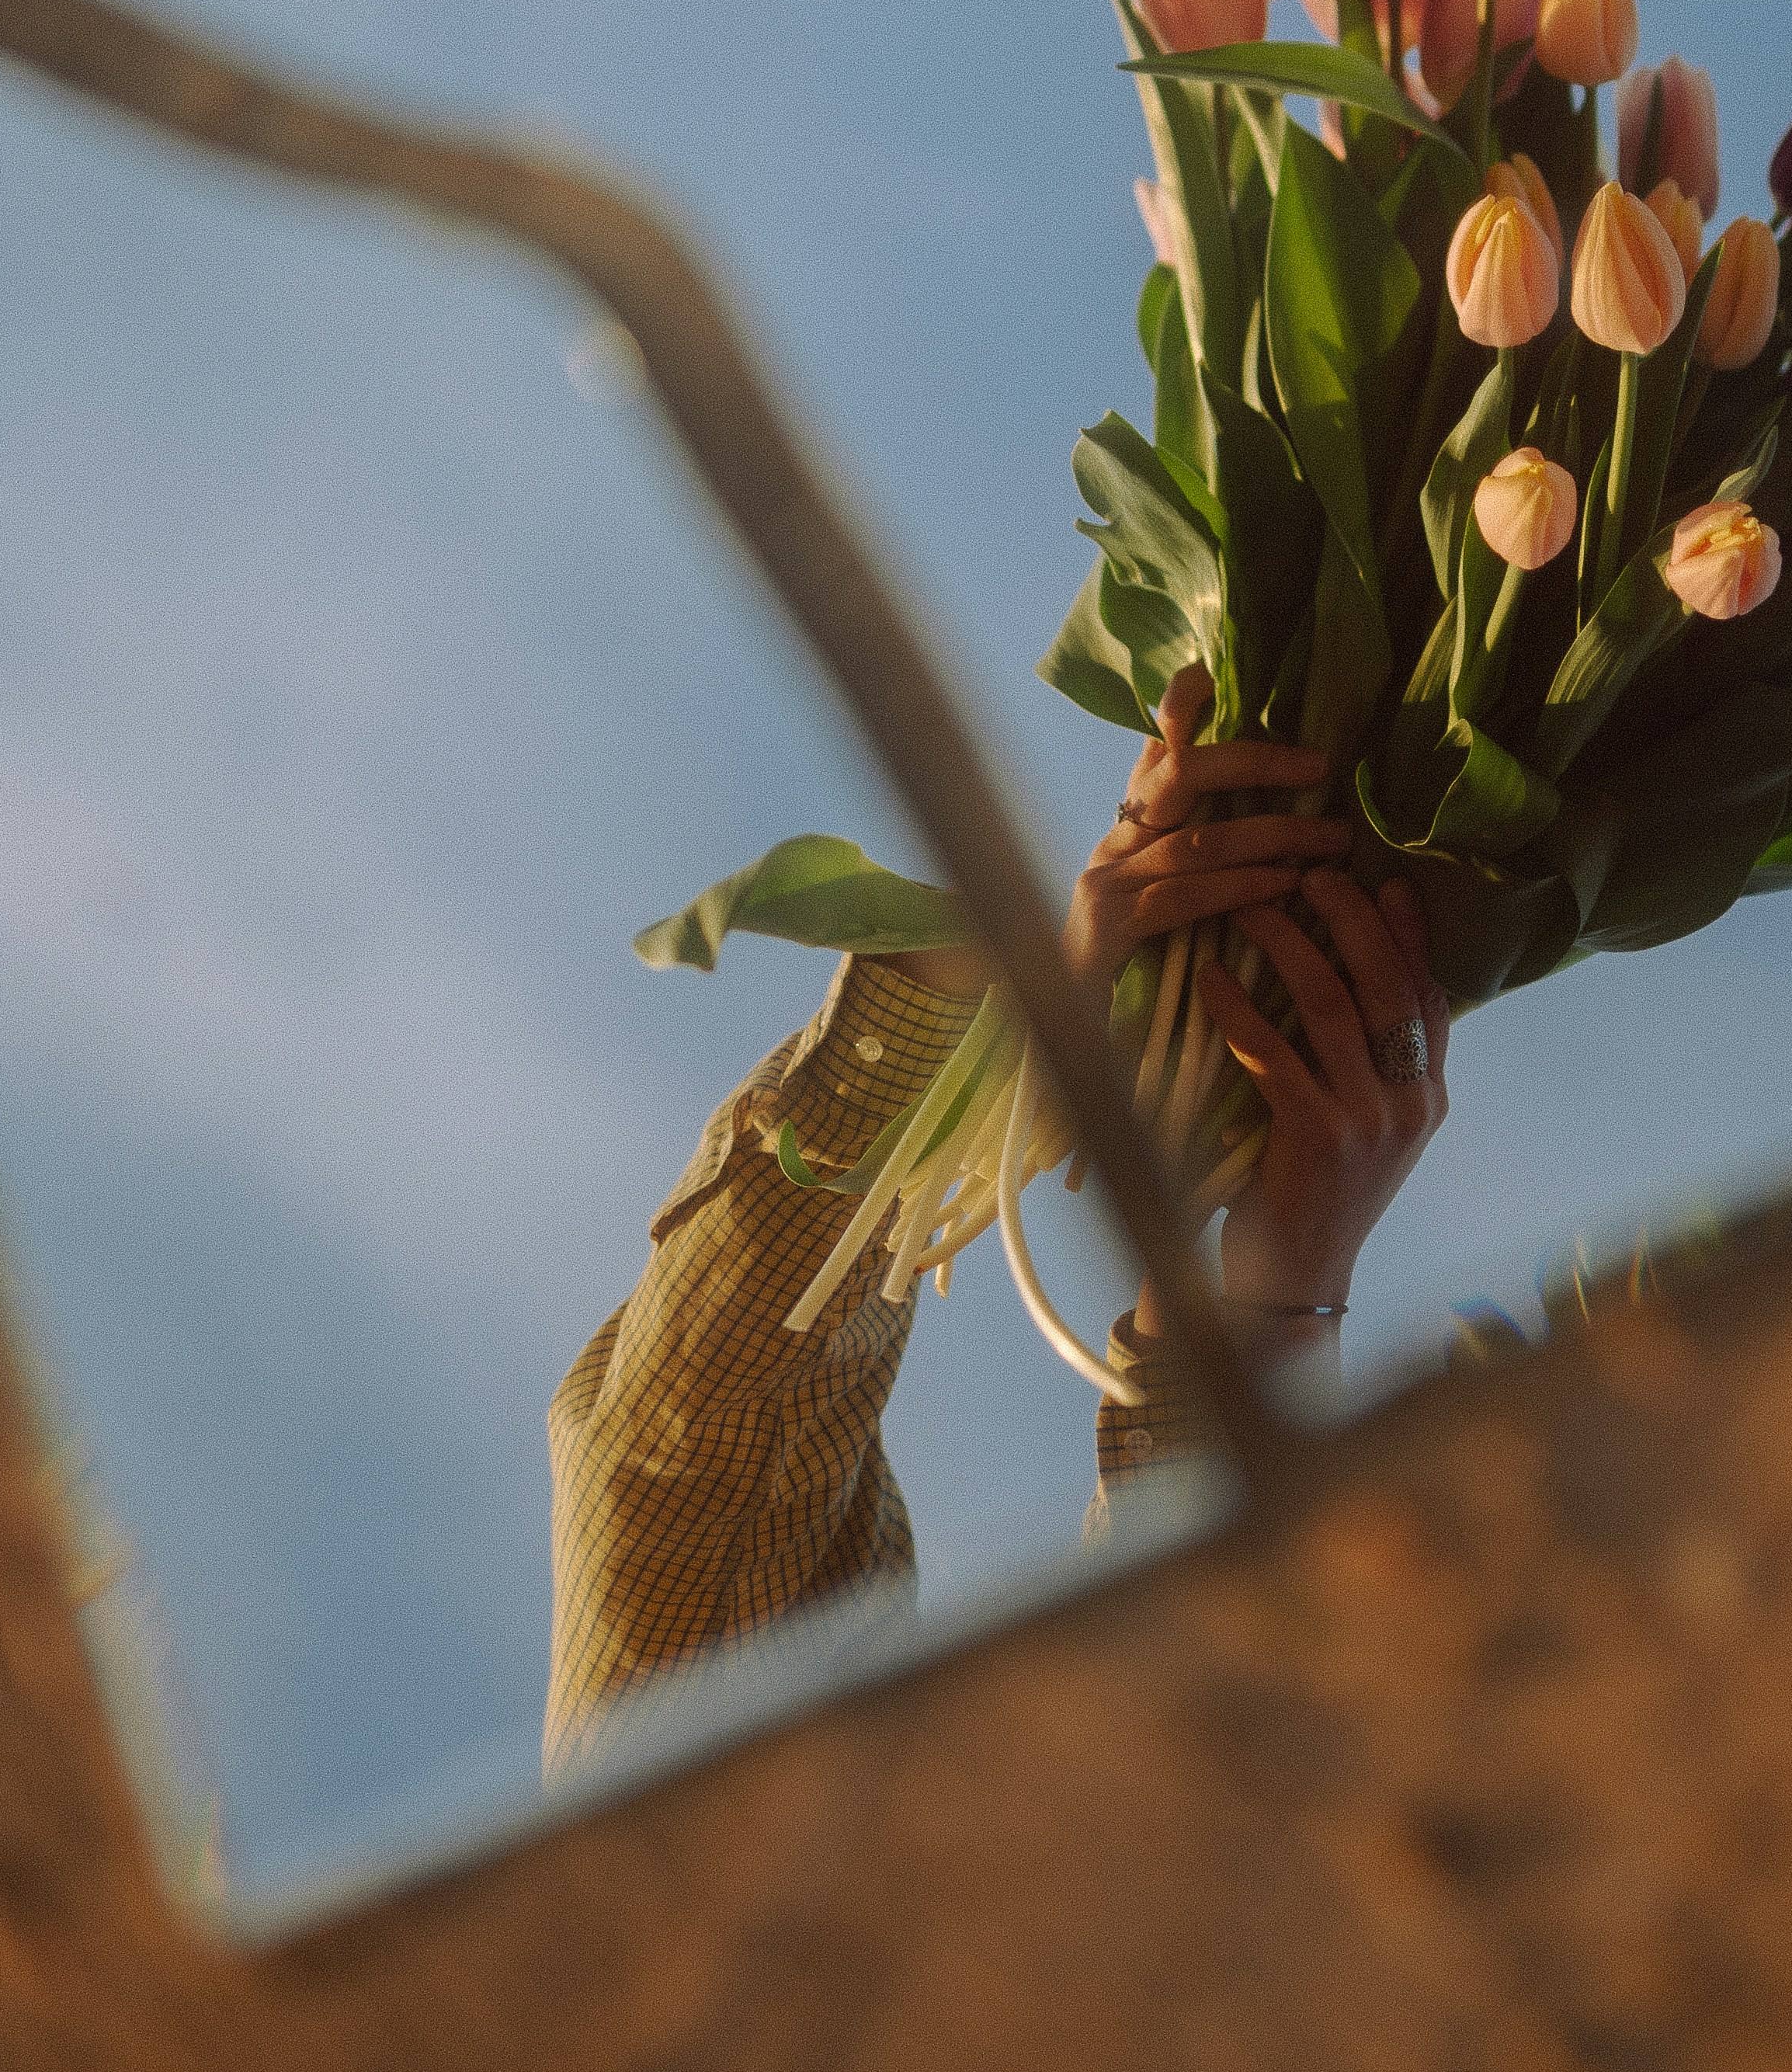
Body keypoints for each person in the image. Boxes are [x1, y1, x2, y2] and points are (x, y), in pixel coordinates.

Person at [544, 670, 1450, 1765]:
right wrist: (1281, 1292)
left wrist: (1014, 1028)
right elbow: (1195, 1765)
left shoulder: (659, 1891)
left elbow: (685, 1471)